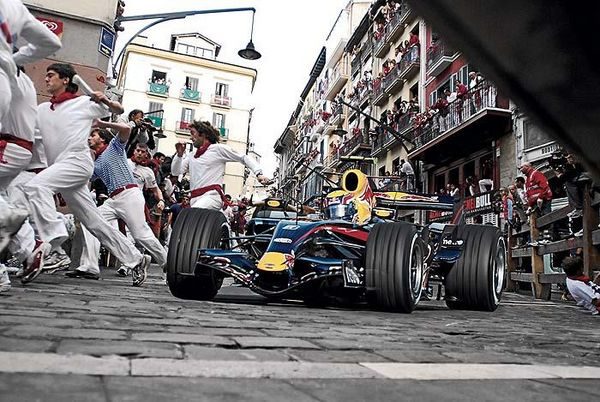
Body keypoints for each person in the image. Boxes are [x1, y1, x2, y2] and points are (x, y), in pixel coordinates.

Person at [23, 63, 150, 285]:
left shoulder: (84, 104)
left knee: (35, 186)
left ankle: (53, 245)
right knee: (95, 222)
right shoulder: (42, 110)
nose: (46, 79)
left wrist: (107, 101)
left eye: (51, 75)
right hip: (60, 167)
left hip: (78, 162)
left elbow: (118, 111)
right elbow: (34, 139)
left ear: (65, 80)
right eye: (46, 76)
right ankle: (135, 259)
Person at [72, 120, 166, 282]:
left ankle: (170, 266)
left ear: (102, 139)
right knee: (90, 223)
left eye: (93, 135)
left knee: (141, 235)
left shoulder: (114, 147)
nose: (89, 138)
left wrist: (101, 123)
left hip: (129, 194)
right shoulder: (95, 163)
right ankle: (90, 266)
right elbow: (85, 177)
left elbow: (126, 129)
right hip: (113, 199)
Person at [171, 121, 270, 210]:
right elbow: (175, 172)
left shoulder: (218, 149)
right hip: (195, 199)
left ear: (203, 134)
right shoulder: (191, 155)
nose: (190, 137)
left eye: (193, 133)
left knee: (192, 214)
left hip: (211, 197)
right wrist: (179, 155)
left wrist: (259, 174)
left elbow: (243, 157)